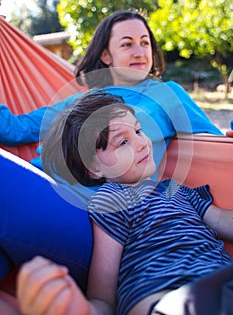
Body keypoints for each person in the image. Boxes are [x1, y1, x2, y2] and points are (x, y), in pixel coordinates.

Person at [0, 10, 224, 292]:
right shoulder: (81, 101)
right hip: (38, 185)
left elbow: (216, 142)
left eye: (145, 42)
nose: (140, 50)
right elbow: (13, 129)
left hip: (93, 219)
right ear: (106, 56)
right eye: (127, 43)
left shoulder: (165, 94)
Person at [3, 90, 233, 315]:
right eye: (122, 142)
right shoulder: (112, 200)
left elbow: (223, 220)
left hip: (220, 281)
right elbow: (102, 297)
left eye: (138, 130)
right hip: (165, 294)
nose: (143, 143)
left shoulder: (175, 188)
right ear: (94, 168)